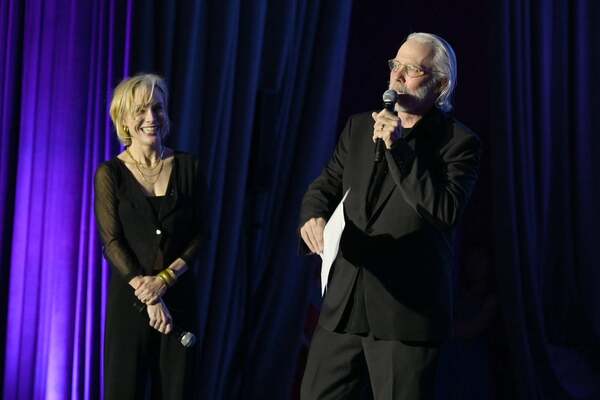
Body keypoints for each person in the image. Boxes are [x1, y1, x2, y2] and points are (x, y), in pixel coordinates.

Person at [299, 33, 481, 400]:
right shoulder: (359, 128)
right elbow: (325, 186)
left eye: (412, 69)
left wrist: (399, 151)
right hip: (344, 307)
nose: (397, 76)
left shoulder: (458, 143)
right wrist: (313, 215)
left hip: (406, 316)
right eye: (395, 65)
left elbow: (443, 211)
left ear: (440, 84)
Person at [94, 74, 206, 399]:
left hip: (180, 303)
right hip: (130, 305)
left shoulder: (189, 167)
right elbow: (111, 242)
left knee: (178, 391)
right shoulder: (110, 174)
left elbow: (201, 235)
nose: (151, 118)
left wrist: (165, 280)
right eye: (141, 111)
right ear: (125, 120)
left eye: (157, 108)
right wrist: (150, 294)